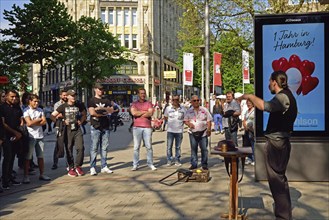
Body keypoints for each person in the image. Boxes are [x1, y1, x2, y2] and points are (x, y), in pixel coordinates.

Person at [237, 71, 297, 220]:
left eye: (270, 82)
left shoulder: (283, 96)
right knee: (279, 180)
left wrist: (249, 96)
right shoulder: (287, 95)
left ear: (275, 82)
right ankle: (284, 213)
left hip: (277, 143)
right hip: (280, 142)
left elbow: (266, 106)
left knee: (277, 181)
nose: (269, 85)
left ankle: (283, 216)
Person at [51, 89, 87, 177]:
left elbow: (84, 114)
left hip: (77, 129)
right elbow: (52, 116)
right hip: (67, 130)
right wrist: (62, 122)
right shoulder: (63, 106)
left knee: (80, 148)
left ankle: (78, 166)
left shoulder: (79, 105)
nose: (73, 97)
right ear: (67, 96)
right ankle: (71, 168)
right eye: (71, 95)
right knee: (69, 149)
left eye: (74, 95)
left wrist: (81, 121)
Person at [22, 94, 51, 184]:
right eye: (34, 101)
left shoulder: (40, 110)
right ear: (30, 101)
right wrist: (38, 120)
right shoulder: (26, 111)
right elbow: (29, 123)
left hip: (40, 136)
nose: (36, 103)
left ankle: (42, 174)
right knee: (28, 157)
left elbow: (44, 122)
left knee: (40, 156)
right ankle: (26, 176)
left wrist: (34, 122)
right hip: (31, 136)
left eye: (37, 101)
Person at [88, 83, 114, 176]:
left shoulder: (106, 100)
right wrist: (104, 112)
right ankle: (92, 167)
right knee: (94, 147)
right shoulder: (91, 100)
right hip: (95, 126)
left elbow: (112, 110)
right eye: (99, 89)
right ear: (95, 89)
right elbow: (92, 113)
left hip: (105, 126)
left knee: (105, 147)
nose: (100, 91)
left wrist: (100, 108)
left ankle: (104, 166)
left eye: (102, 89)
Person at [0, 90, 24, 189]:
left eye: (15, 97)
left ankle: (10, 177)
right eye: (12, 97)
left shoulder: (16, 107)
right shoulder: (2, 108)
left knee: (13, 156)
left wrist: (20, 128)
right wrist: (15, 133)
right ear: (6, 97)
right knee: (7, 157)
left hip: (16, 135)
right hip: (6, 136)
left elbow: (21, 119)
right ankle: (5, 181)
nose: (14, 98)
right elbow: (3, 123)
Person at [130, 88, 156, 171]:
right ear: (138, 94)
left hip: (147, 127)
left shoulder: (149, 103)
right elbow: (134, 113)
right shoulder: (134, 104)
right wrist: (144, 112)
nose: (143, 95)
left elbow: (150, 113)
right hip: (137, 127)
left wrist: (139, 112)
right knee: (136, 147)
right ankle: (135, 164)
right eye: (141, 93)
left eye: (144, 93)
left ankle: (150, 163)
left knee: (148, 146)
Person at [184, 95, 212, 170]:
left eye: (197, 100)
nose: (196, 102)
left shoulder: (204, 110)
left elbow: (209, 120)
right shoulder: (189, 111)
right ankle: (194, 164)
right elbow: (185, 120)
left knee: (204, 149)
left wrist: (209, 129)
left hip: (203, 132)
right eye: (194, 101)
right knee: (193, 149)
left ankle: (204, 164)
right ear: (191, 102)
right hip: (192, 133)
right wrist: (189, 124)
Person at [164, 95, 186, 166]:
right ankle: (169, 160)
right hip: (170, 130)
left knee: (178, 147)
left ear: (179, 100)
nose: (175, 101)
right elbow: (165, 117)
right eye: (173, 100)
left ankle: (177, 160)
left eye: (177, 100)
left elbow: (185, 118)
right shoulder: (168, 108)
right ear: (171, 100)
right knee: (169, 146)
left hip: (179, 131)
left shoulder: (183, 109)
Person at [51, 89, 68, 170]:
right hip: (60, 125)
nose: (65, 96)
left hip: (68, 125)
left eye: (66, 95)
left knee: (68, 144)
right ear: (60, 96)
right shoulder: (57, 104)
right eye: (64, 95)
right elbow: (57, 115)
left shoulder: (70, 103)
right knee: (58, 144)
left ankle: (69, 163)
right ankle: (55, 162)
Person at [243, 99, 255, 165]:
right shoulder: (247, 111)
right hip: (247, 130)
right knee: (248, 145)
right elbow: (244, 119)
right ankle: (249, 158)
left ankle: (254, 159)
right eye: (247, 103)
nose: (248, 104)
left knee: (253, 145)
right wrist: (244, 125)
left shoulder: (254, 111)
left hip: (252, 130)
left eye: (250, 103)